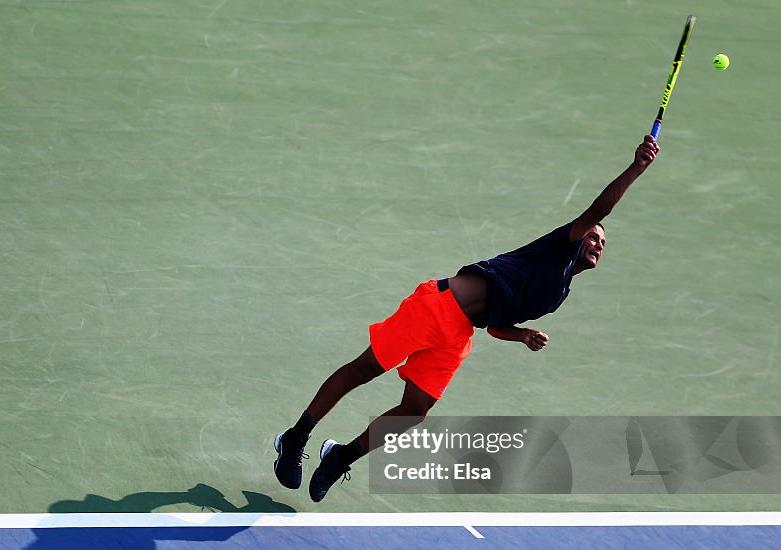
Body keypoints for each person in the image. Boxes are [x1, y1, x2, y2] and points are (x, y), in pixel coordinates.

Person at [273, 135, 661, 502]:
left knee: (414, 412)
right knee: (364, 370)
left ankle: (341, 456)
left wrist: (522, 336)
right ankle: (296, 436)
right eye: (594, 236)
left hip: (459, 334)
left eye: (603, 244)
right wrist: (635, 169)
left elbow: (494, 324)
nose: (597, 243)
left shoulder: (558, 293)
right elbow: (600, 209)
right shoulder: (559, 248)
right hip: (436, 307)